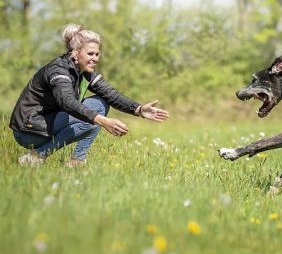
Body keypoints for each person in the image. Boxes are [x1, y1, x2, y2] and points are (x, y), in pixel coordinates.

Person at [9, 24, 169, 167]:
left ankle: (76, 161)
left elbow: (111, 94)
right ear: (76, 53)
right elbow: (67, 102)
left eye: (97, 54)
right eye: (90, 54)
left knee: (101, 104)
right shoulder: (58, 70)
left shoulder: (84, 71)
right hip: (29, 130)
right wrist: (102, 120)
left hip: (48, 124)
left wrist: (139, 109)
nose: (95, 59)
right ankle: (37, 156)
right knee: (96, 114)